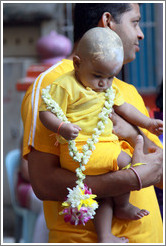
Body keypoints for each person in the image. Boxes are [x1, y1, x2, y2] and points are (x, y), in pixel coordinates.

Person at [21, 3, 163, 243]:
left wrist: (130, 134)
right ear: (108, 21)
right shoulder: (54, 83)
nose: (141, 33)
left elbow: (159, 170)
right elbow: (43, 182)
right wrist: (127, 180)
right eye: (135, 22)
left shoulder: (124, 90)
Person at [16, 139, 49, 243]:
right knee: (47, 204)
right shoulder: (29, 135)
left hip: (46, 186)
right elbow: (26, 172)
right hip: (26, 186)